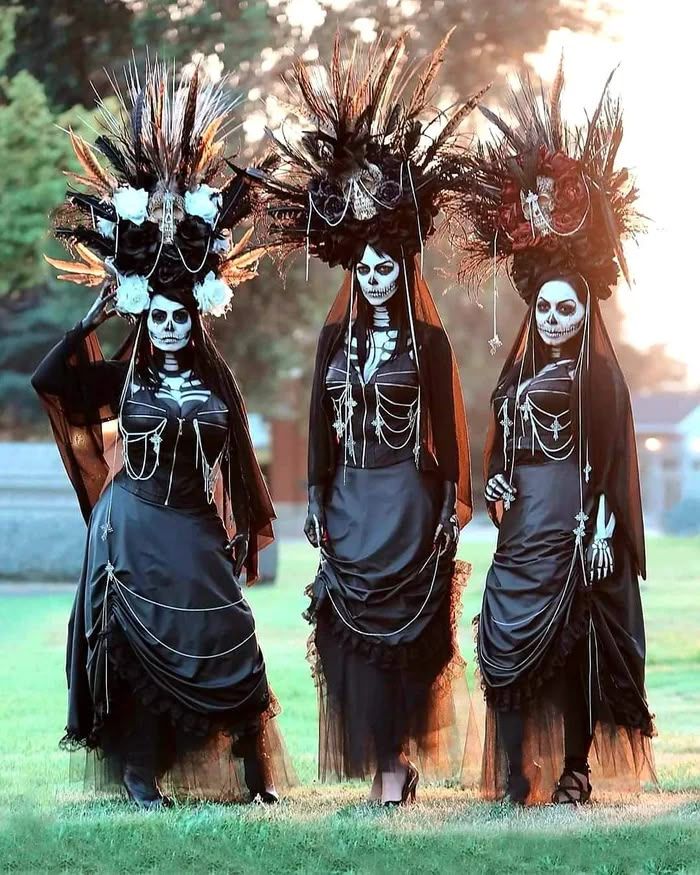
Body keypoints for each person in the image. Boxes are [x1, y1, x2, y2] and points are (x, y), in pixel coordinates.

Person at [32, 62, 295, 808]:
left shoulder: (218, 383)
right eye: (162, 317)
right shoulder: (130, 379)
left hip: (194, 522)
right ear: (150, 318)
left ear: (198, 318)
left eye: (183, 317)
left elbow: (241, 460)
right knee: (137, 643)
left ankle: (255, 772)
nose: (173, 326)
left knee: (231, 628)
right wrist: (98, 317)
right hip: (132, 522)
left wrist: (244, 530)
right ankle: (142, 772)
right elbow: (54, 384)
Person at [253, 32, 482, 804]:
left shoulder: (430, 340)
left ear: (404, 265)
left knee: (409, 635)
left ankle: (395, 765)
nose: (378, 277)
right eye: (368, 267)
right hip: (350, 500)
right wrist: (315, 497)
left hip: (408, 502)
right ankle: (380, 758)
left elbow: (450, 432)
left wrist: (453, 499)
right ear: (356, 267)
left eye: (389, 266)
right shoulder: (333, 338)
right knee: (347, 635)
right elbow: (317, 424)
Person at [450, 66, 656, 804]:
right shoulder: (514, 376)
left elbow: (612, 459)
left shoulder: (599, 378)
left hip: (574, 520)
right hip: (524, 525)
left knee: (574, 650)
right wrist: (499, 479)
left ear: (584, 310)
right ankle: (517, 770)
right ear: (535, 312)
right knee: (507, 638)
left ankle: (575, 769)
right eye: (547, 309)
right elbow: (502, 443)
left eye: (569, 309)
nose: (557, 318)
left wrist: (602, 527)